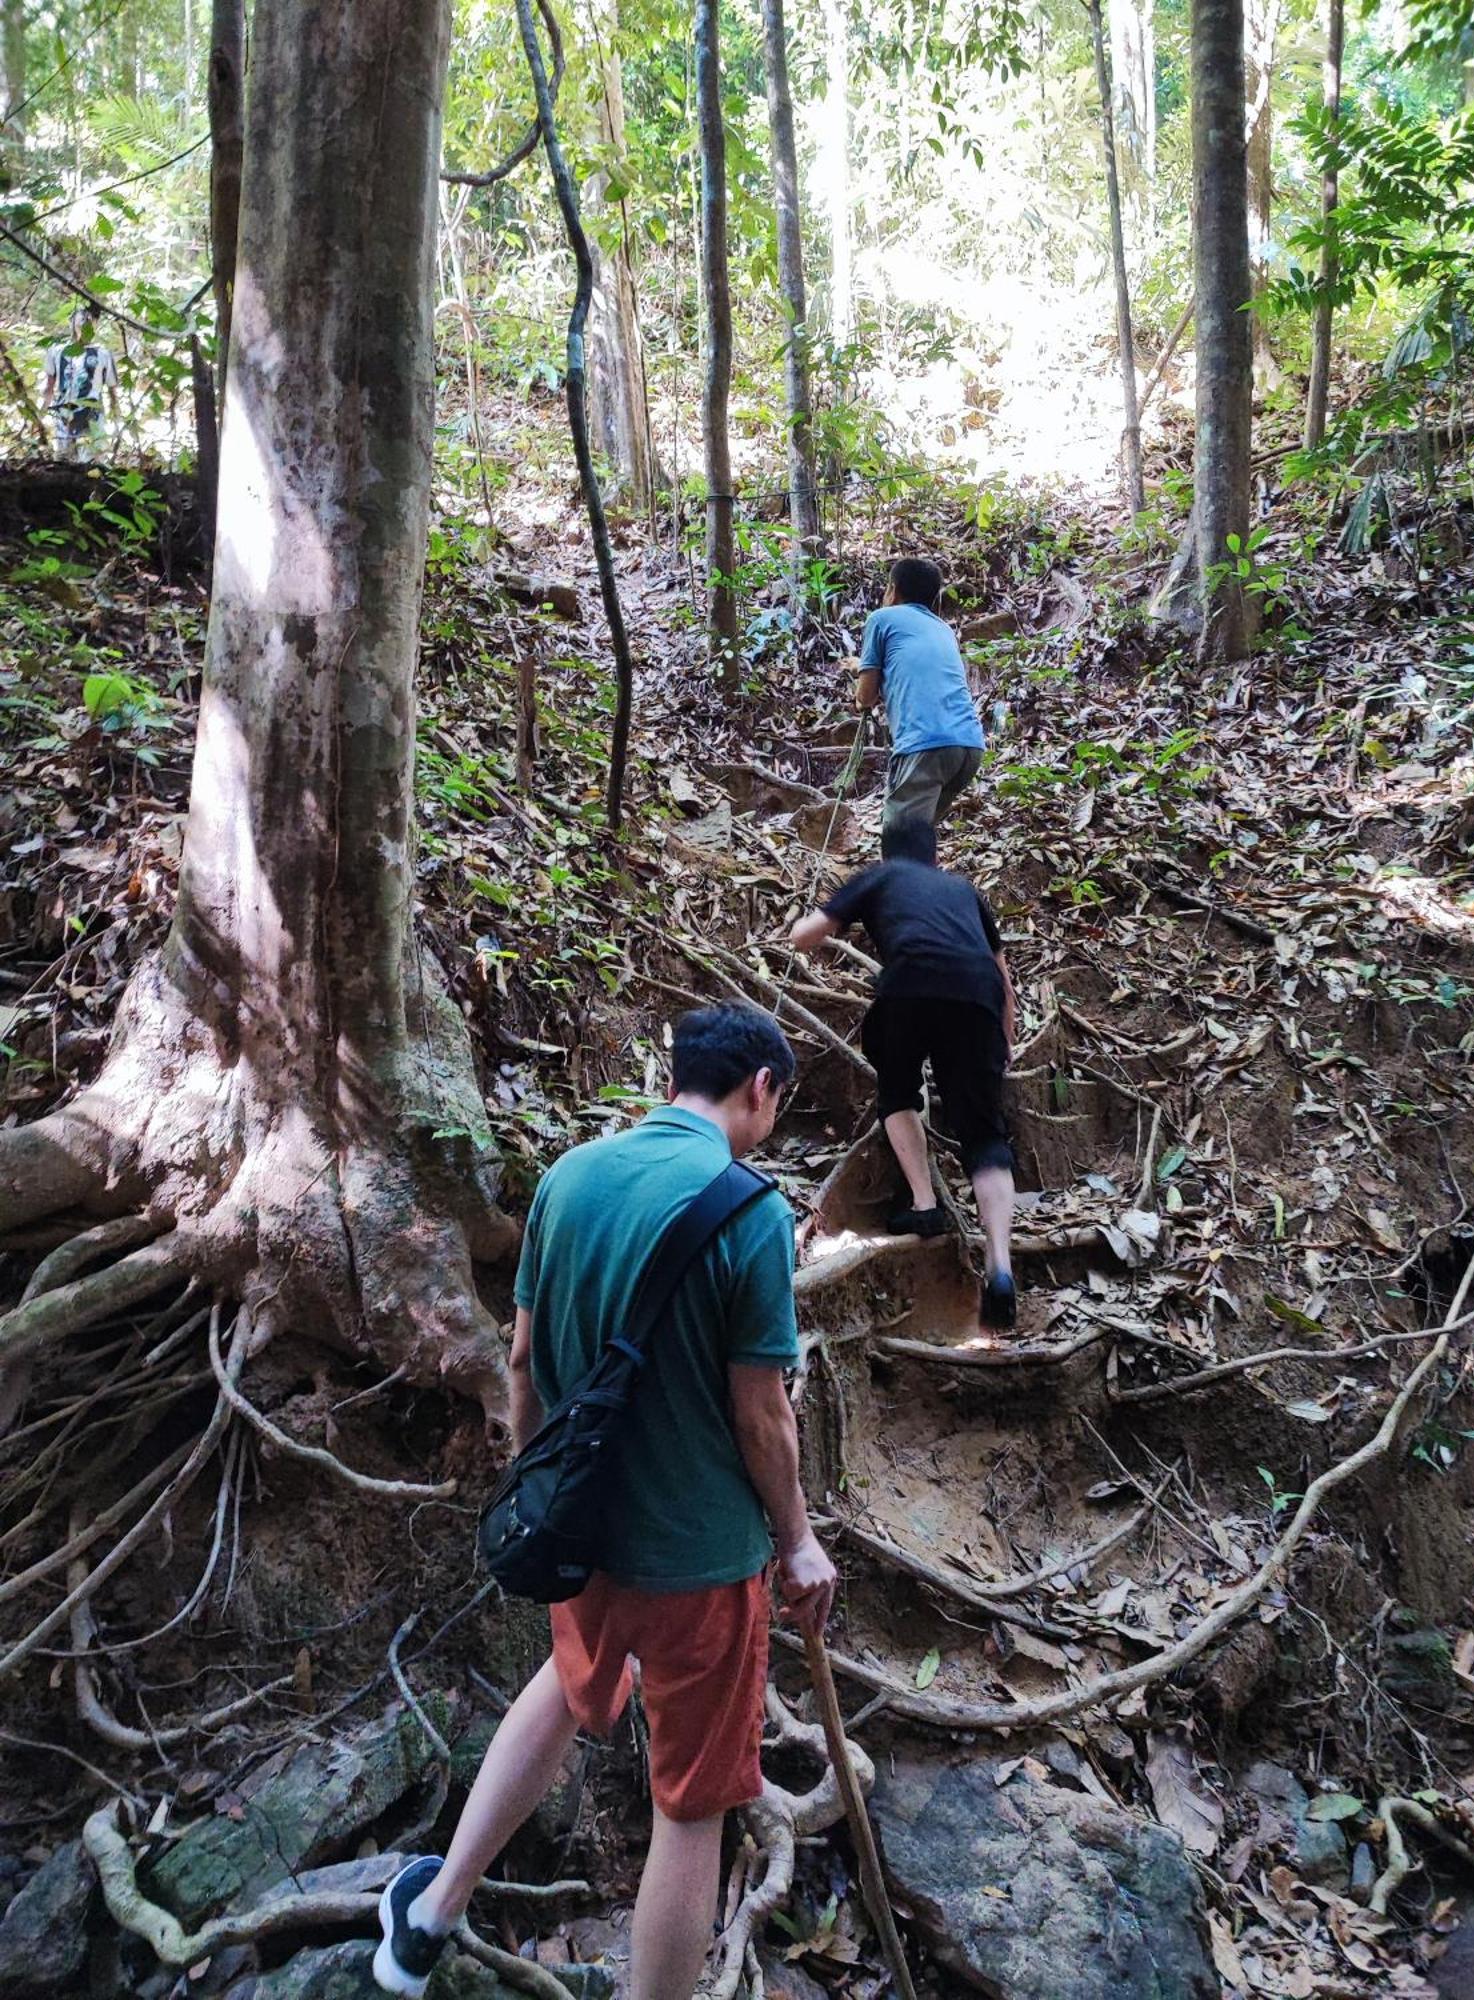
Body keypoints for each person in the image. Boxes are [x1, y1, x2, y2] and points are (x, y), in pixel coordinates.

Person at [374, 1003, 837, 2000]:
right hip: (703, 1567)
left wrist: (544, 1477)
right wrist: (797, 1540)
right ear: (759, 1088)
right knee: (692, 1808)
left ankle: (431, 1913)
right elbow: (763, 1415)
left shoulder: (569, 1177)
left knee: (567, 1683)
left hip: (584, 1542)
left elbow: (524, 1359)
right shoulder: (749, 1211)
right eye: (778, 1103)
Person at [790, 817, 1020, 1329]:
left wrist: (801, 926)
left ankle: (923, 1202)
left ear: (889, 852)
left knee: (896, 1091)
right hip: (978, 1000)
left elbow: (806, 936)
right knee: (985, 1134)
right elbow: (1001, 972)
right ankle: (1001, 1267)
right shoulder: (965, 891)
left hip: (909, 989)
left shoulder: (880, 876)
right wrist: (1004, 1036)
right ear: (934, 856)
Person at [852, 555, 986, 835]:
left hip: (925, 745)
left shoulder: (881, 618)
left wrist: (859, 691)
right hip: (969, 747)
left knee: (901, 844)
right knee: (918, 839)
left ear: (893, 590)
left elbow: (866, 697)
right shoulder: (944, 629)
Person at [42, 306, 119, 460]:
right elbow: (49, 386)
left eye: (91, 321)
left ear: (96, 325)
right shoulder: (57, 351)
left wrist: (117, 417)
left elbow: (112, 390)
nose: (85, 325)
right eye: (82, 320)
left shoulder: (103, 354)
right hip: (64, 414)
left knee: (91, 464)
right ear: (71, 322)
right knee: (63, 463)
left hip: (92, 417)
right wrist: (41, 413)